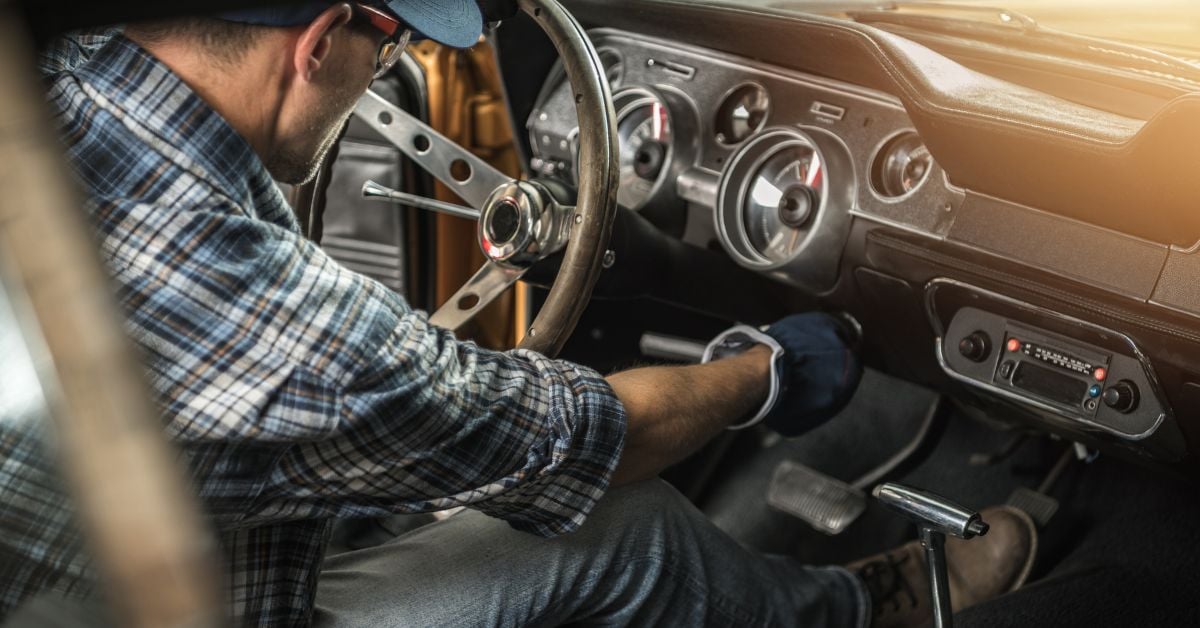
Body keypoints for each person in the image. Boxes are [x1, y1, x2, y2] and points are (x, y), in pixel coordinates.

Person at [0, 1, 1035, 626]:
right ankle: (857, 613)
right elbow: (588, 439)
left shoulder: (63, 82)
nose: (387, 70)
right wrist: (759, 369)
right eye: (392, 41)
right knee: (621, 530)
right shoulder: (266, 314)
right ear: (319, 43)